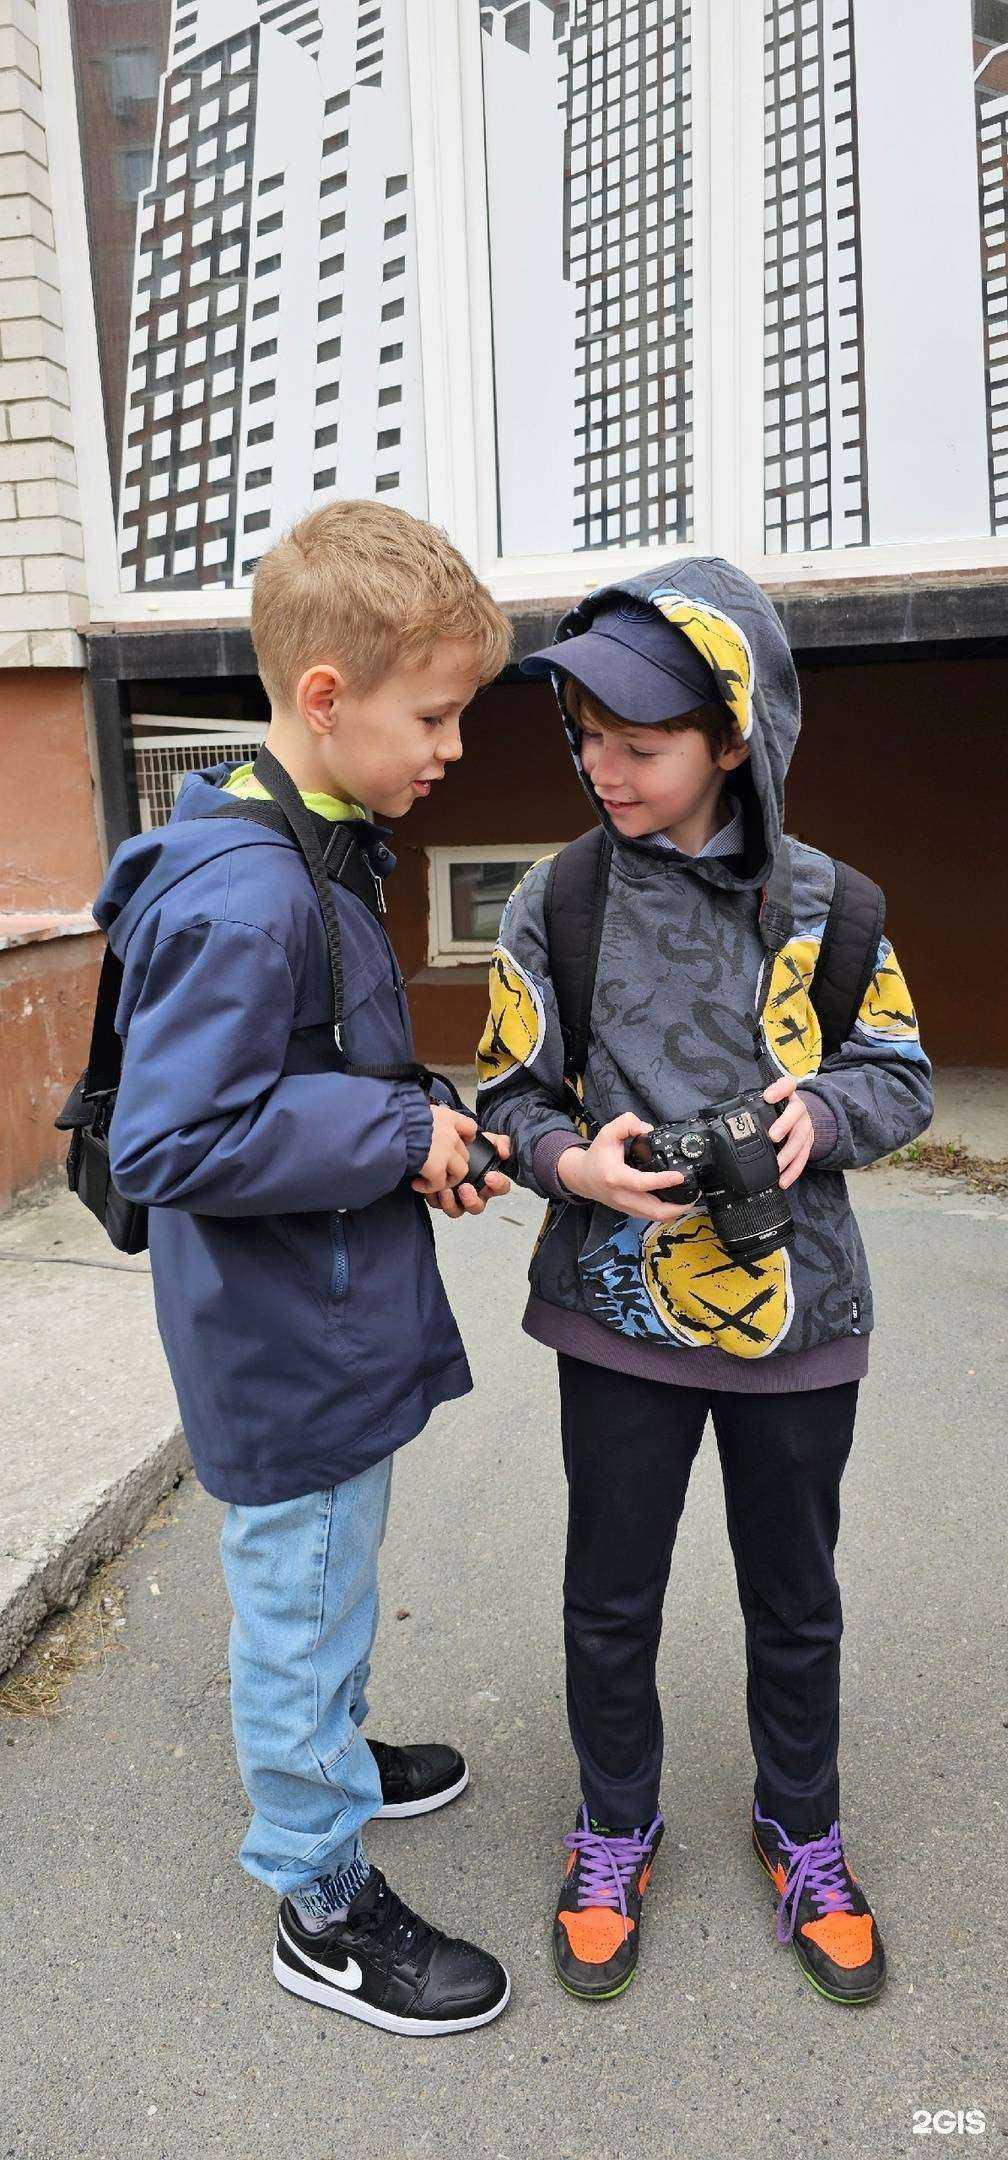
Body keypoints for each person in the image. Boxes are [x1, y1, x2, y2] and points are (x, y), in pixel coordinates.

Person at [475, 559, 932, 2008]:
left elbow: (901, 1072)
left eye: (642, 743)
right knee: (610, 1597)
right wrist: (574, 1165)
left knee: (795, 1596)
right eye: (585, 738)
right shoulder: (555, 899)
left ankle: (801, 1825)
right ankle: (616, 1822)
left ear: (735, 734)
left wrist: (823, 1118)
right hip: (613, 1319)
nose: (604, 769)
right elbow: (505, 1090)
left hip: (804, 1316)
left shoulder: (839, 906)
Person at [94, 500, 515, 2037]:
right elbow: (176, 1141)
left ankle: (332, 1760)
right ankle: (318, 1897)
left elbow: (320, 1073)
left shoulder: (308, 844)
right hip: (289, 1341)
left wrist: (426, 1123)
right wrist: (397, 1143)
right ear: (324, 697)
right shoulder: (256, 888)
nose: (455, 749)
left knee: (328, 1589)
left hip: (317, 1310)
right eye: (437, 713)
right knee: (307, 1596)